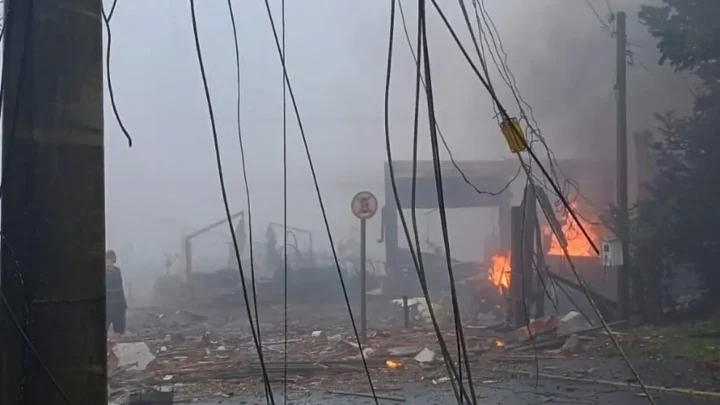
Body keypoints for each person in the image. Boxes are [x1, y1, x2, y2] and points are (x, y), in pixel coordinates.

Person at [106, 250, 127, 338]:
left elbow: (120, 290)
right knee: (117, 331)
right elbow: (120, 290)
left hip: (112, 305)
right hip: (113, 306)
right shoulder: (116, 271)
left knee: (118, 331)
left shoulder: (117, 271)